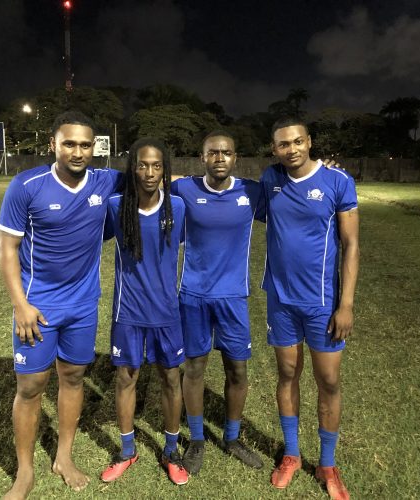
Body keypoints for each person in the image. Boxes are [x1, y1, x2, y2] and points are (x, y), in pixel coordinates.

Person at [0, 110, 123, 499]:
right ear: (54, 144)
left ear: (95, 147)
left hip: (83, 305)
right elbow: (7, 249)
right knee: (32, 386)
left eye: (86, 144)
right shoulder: (27, 185)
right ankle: (24, 471)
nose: (78, 151)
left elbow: (151, 173)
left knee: (72, 378)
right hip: (38, 307)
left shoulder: (106, 181)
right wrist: (20, 305)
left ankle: (64, 457)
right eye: (69, 143)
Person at [260, 117, 359, 500]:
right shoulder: (271, 180)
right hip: (280, 300)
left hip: (322, 303)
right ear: (275, 149)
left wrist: (346, 304)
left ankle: (328, 464)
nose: (292, 149)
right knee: (287, 374)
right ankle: (291, 454)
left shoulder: (338, 182)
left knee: (328, 381)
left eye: (298, 141)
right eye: (284, 144)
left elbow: (351, 245)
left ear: (309, 142)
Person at [170, 131, 264, 474]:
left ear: (235, 158)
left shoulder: (252, 193)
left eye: (226, 152)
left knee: (237, 369)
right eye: (213, 153)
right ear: (202, 157)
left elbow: (292, 200)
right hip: (192, 295)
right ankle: (196, 439)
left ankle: (233, 437)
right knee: (194, 369)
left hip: (233, 297)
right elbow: (147, 187)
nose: (220, 158)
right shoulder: (184, 189)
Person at [100, 138, 189, 486]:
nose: (149, 172)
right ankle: (126, 451)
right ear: (132, 167)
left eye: (156, 165)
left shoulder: (178, 208)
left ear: (164, 168)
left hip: (167, 311)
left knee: (170, 378)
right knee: (126, 378)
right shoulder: (115, 206)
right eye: (142, 165)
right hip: (128, 310)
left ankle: (171, 450)